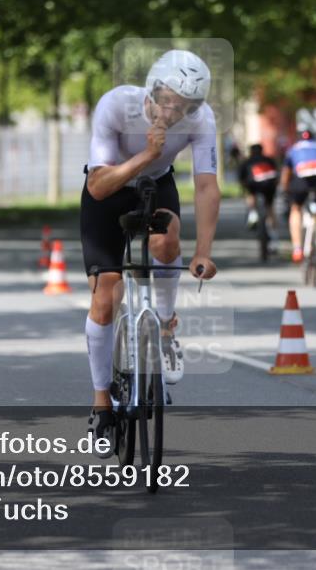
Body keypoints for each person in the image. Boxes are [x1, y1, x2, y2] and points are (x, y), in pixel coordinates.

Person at [80, 49, 220, 456]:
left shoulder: (202, 119)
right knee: (105, 298)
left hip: (156, 185)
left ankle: (164, 326)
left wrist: (204, 252)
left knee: (166, 240)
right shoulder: (115, 105)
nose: (175, 111)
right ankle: (102, 404)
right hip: (109, 187)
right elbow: (97, 187)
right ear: (153, 89)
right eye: (168, 100)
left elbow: (206, 186)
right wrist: (146, 154)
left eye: (186, 106)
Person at [280, 129, 316, 263]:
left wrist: (285, 189)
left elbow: (286, 172)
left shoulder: (293, 149)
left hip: (300, 181)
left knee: (295, 209)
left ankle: (297, 248)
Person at [238, 144, 279, 240]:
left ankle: (252, 214)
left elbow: (242, 179)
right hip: (269, 186)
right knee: (270, 207)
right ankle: (274, 234)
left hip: (253, 186)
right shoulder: (269, 160)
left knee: (251, 195)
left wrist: (243, 189)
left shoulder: (247, 162)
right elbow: (276, 174)